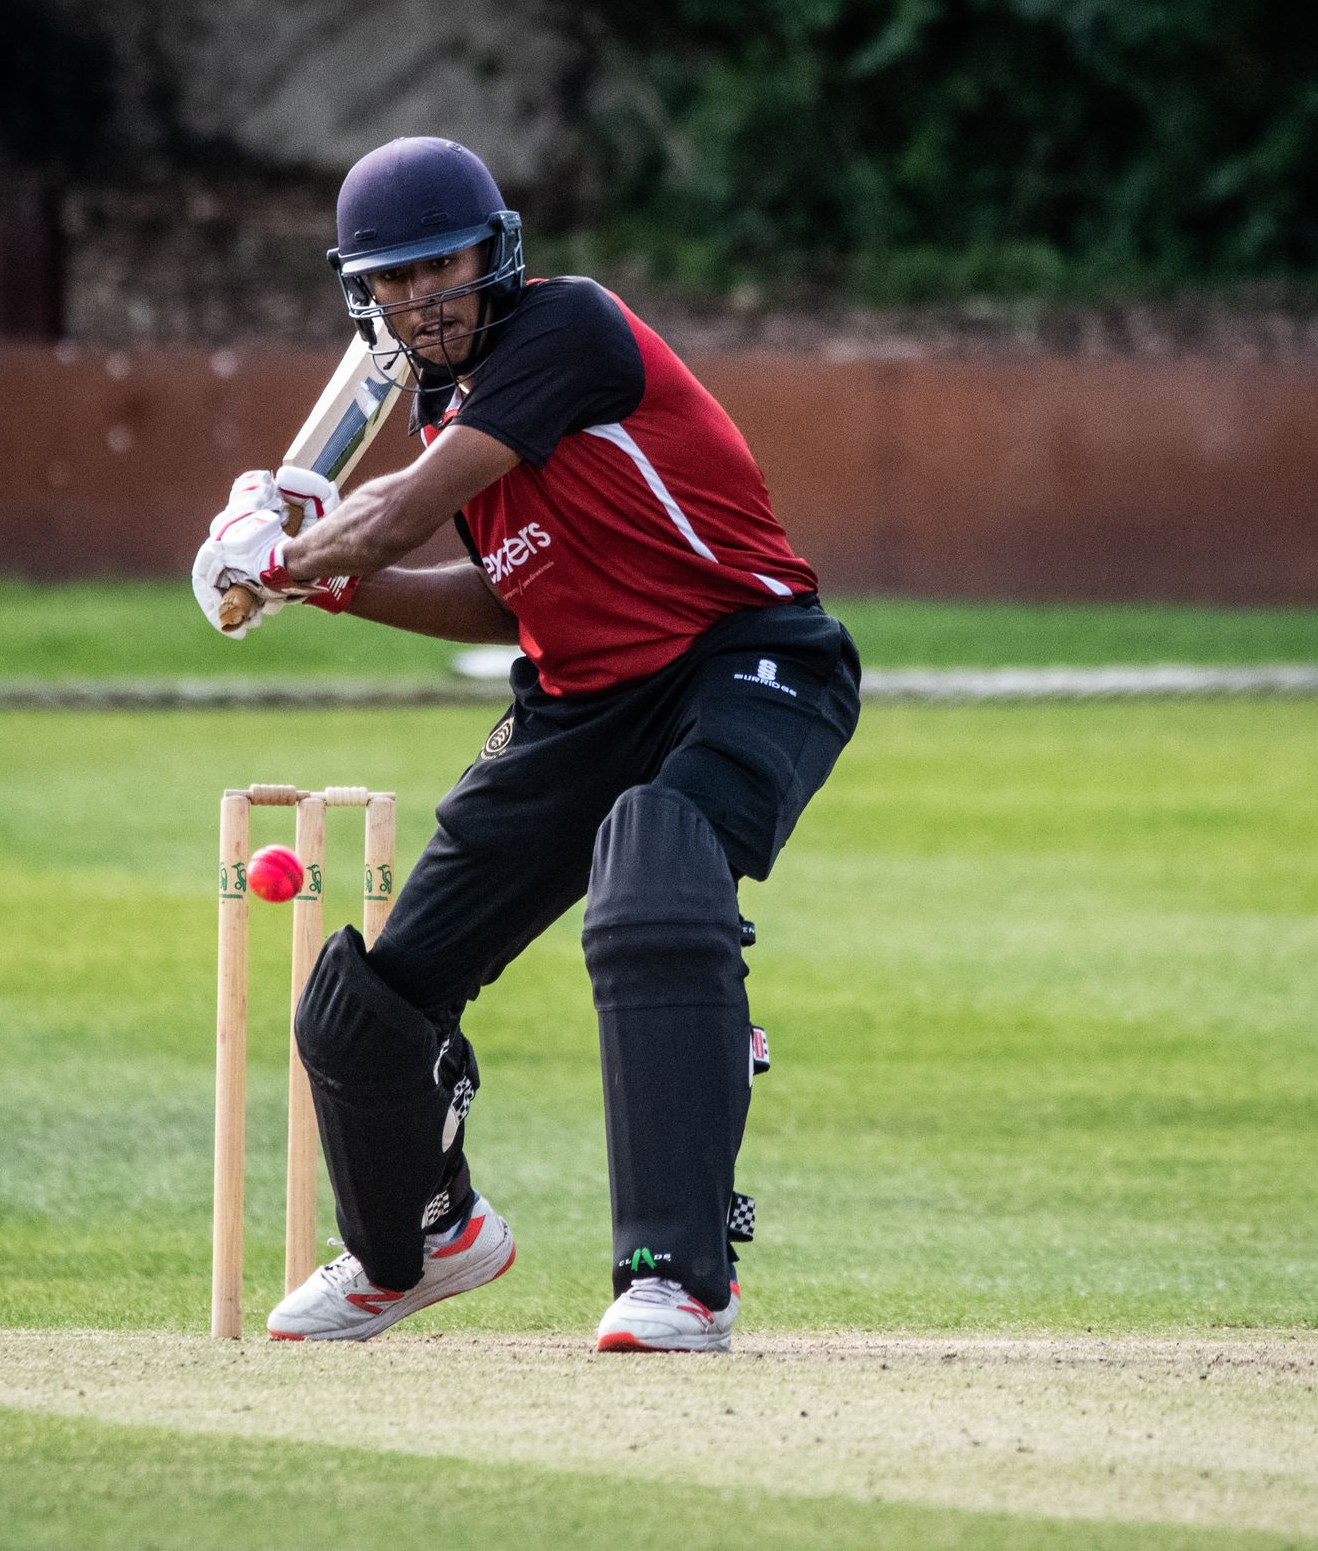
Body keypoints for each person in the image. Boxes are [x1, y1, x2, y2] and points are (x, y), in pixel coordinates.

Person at [190, 136, 861, 1352]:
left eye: (440, 269)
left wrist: (280, 556)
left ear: (493, 257)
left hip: (744, 653)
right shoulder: (444, 407)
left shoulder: (567, 331)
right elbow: (508, 594)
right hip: (577, 699)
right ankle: (418, 1240)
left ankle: (678, 1280)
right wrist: (320, 582)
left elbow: (397, 515)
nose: (421, 302)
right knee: (367, 1010)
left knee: (654, 865)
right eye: (393, 281)